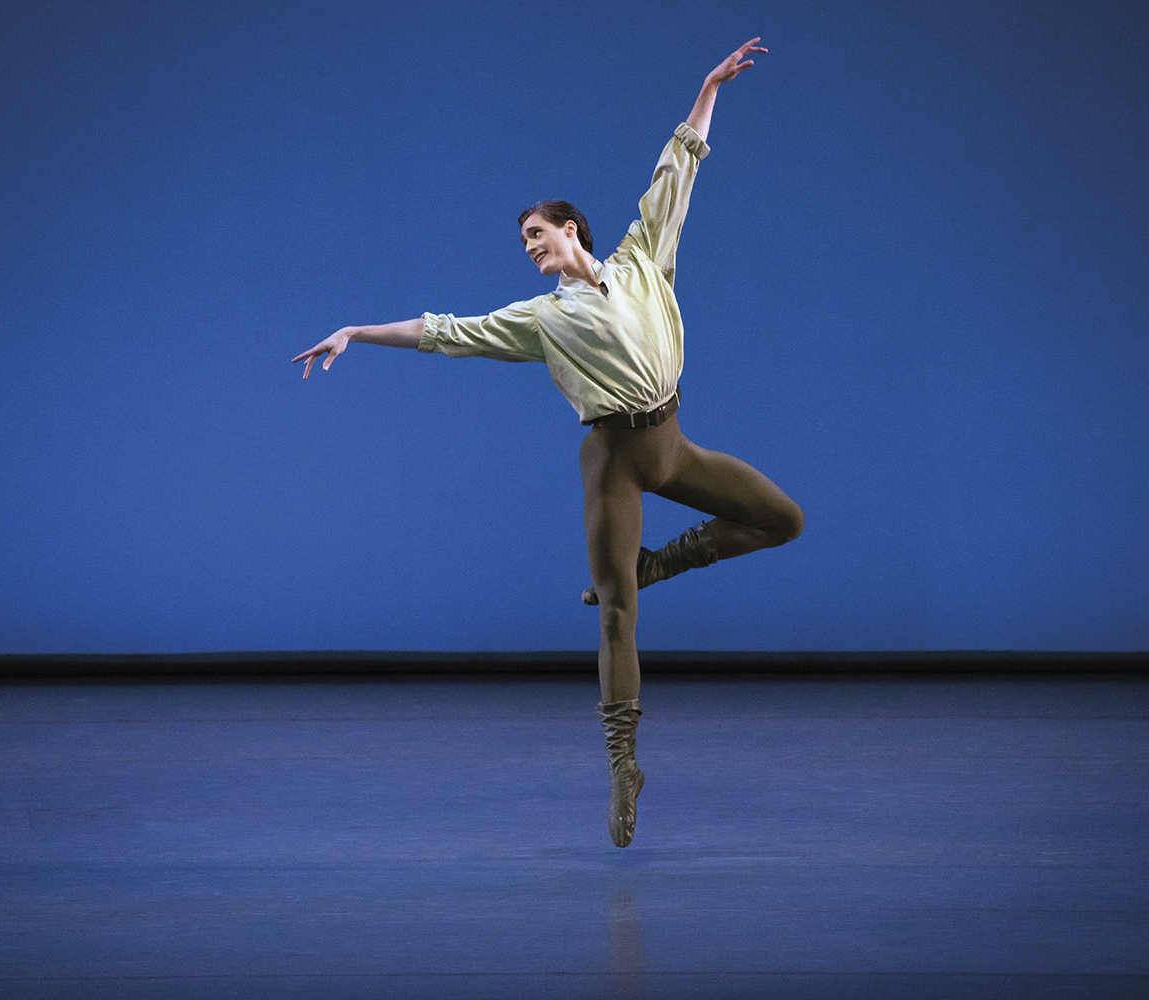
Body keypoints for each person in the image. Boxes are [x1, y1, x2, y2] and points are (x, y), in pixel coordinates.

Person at [293, 38, 803, 848]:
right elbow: (446, 331)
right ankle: (622, 768)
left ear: (572, 230)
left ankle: (656, 565)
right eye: (525, 241)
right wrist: (357, 329)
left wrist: (709, 88)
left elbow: (681, 168)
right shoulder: (542, 319)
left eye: (538, 233)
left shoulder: (642, 263)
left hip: (671, 442)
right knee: (616, 621)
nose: (531, 246)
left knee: (783, 519)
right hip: (614, 464)